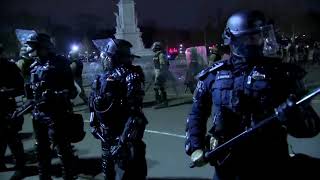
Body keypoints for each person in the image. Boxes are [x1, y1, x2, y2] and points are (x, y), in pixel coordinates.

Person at [185, 10, 320, 180]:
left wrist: (293, 117)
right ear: (233, 40)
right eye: (250, 37)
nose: (257, 42)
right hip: (227, 168)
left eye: (260, 36)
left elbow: (311, 128)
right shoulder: (213, 75)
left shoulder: (282, 74)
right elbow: (197, 113)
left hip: (271, 166)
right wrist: (195, 146)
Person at [89, 38, 148, 180]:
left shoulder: (130, 76)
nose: (105, 60)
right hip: (106, 134)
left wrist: (123, 141)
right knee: (107, 172)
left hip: (124, 137)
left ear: (115, 57)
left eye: (108, 56)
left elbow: (135, 114)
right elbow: (94, 102)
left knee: (129, 172)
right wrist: (94, 123)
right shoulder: (102, 77)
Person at [25, 33, 78, 180]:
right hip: (38, 114)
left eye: (33, 45)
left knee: (63, 149)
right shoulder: (34, 66)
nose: (30, 49)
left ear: (43, 46)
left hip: (57, 113)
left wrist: (56, 94)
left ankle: (69, 176)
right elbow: (32, 90)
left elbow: (72, 91)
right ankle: (44, 176)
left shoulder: (60, 63)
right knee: (41, 150)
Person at [0, 43, 26, 180]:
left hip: (8, 107)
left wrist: (6, 91)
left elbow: (20, 87)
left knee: (12, 138)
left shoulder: (9, 66)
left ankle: (21, 166)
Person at [151, 41, 169, 108]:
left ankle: (162, 102)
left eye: (154, 47)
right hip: (157, 72)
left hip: (160, 73)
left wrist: (160, 75)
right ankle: (161, 102)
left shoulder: (161, 55)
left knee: (159, 88)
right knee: (159, 88)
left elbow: (163, 65)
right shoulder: (157, 54)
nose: (153, 48)